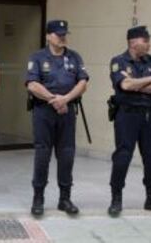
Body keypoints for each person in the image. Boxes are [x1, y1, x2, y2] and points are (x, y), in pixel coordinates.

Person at [25, 20, 89, 216]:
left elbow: (83, 82)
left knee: (67, 154)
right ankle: (38, 198)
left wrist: (66, 99)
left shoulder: (74, 57)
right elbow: (32, 85)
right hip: (44, 112)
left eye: (64, 34)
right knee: (42, 154)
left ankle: (65, 198)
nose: (62, 37)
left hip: (67, 111)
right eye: (58, 34)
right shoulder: (37, 57)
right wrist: (54, 99)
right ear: (48, 36)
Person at [108, 26, 151, 217]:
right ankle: (116, 198)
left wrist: (138, 83)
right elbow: (124, 84)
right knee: (123, 156)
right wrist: (148, 80)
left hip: (149, 116)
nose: (149, 44)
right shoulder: (118, 61)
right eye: (146, 40)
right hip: (127, 116)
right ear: (133, 42)